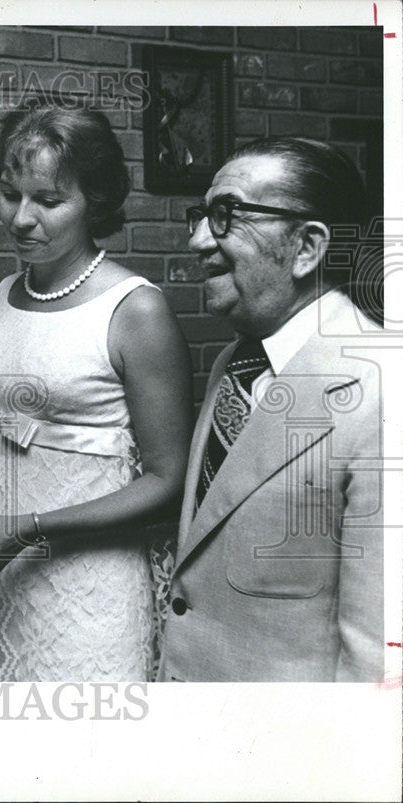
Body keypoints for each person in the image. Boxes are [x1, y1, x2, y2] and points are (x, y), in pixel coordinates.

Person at [0, 106, 193, 682]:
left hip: (88, 581)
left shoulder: (136, 308)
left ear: (95, 202)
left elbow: (167, 480)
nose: (21, 219)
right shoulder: (7, 290)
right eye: (9, 195)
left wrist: (31, 525)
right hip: (0, 571)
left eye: (49, 201)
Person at [160, 136, 384, 682]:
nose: (196, 241)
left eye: (225, 216)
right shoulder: (234, 364)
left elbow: (375, 660)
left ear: (307, 247)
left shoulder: (382, 392)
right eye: (201, 216)